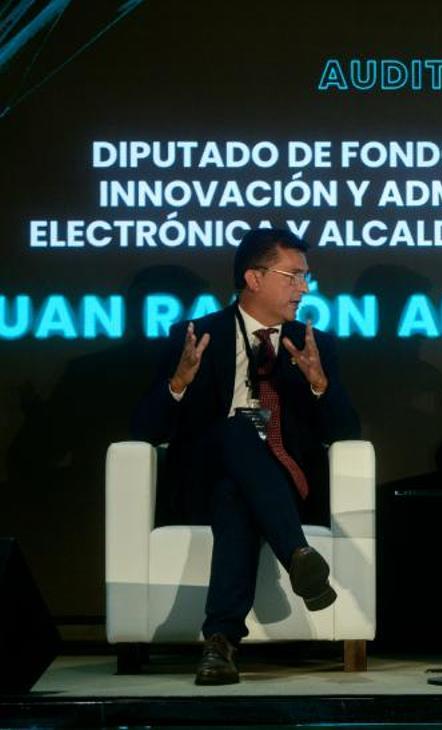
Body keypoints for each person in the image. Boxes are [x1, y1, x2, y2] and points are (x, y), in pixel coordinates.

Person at [131, 228, 360, 685]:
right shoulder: (197, 335)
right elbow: (146, 430)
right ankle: (296, 552)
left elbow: (345, 433)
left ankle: (220, 643)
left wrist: (319, 383)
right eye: (293, 276)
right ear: (254, 278)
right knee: (236, 435)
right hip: (201, 476)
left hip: (284, 483)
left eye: (305, 277)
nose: (304, 289)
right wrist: (178, 383)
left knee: (235, 495)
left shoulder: (312, 342)